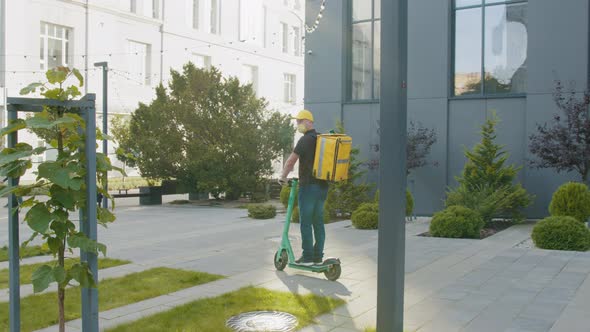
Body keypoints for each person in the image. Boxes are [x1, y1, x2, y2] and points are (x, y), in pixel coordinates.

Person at [279, 110, 329, 266]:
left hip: (308, 187)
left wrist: (283, 177)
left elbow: (290, 162)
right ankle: (318, 255)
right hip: (322, 187)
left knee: (306, 222)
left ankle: (307, 256)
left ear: (308, 121)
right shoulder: (321, 139)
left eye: (299, 121)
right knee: (318, 222)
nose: (297, 124)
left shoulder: (305, 140)